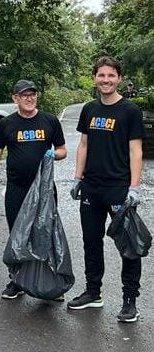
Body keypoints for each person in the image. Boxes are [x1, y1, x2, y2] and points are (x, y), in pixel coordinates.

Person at [68, 56, 146, 323]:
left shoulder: (129, 111)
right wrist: (77, 178)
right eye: (101, 75)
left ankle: (129, 301)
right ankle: (93, 292)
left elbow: (136, 151)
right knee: (91, 242)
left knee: (128, 246)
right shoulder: (89, 109)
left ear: (119, 78)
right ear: (95, 79)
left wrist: (134, 188)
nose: (106, 80)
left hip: (119, 189)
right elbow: (84, 145)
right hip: (91, 189)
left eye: (111, 75)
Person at [0, 79, 66, 299]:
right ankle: (17, 282)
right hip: (17, 189)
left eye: (32, 94)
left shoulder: (49, 121)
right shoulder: (7, 124)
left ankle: (51, 285)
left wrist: (54, 154)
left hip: (44, 190)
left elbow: (62, 150)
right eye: (24, 95)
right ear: (15, 99)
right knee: (17, 236)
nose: (29, 98)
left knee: (45, 234)